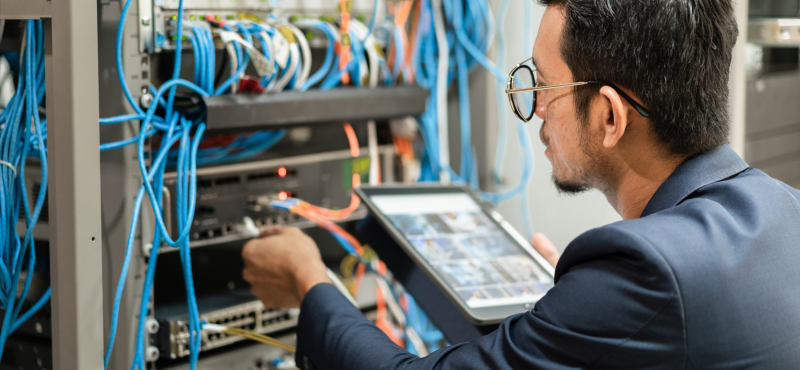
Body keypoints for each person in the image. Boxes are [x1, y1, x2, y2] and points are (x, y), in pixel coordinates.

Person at [241, 0, 800, 368]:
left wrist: (308, 282)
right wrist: (569, 317)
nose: (534, 110)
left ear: (610, 117)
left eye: (544, 84)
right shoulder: (784, 207)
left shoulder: (641, 271)